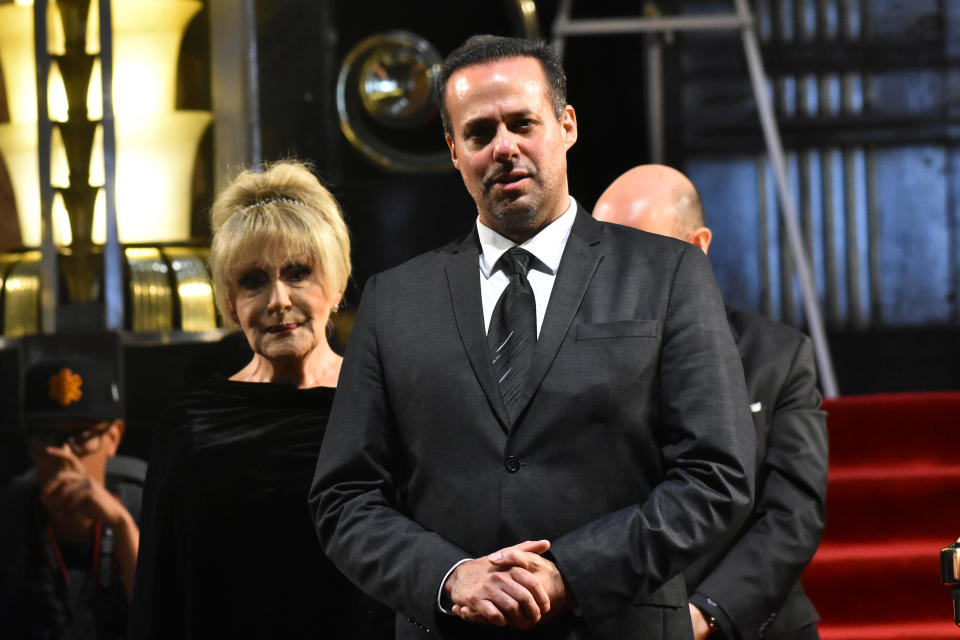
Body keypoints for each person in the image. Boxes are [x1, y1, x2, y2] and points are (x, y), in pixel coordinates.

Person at [310, 35, 757, 639]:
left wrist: (569, 574)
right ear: (452, 149)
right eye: (479, 133)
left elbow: (717, 474)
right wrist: (450, 577)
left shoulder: (669, 274)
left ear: (566, 125)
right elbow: (344, 497)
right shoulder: (393, 301)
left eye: (523, 123)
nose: (505, 148)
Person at [129, 160, 392, 639]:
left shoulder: (387, 405)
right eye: (253, 280)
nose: (277, 299)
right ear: (230, 302)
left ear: (336, 285)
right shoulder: (192, 430)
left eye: (297, 273)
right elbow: (159, 598)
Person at [594, 164, 828, 640]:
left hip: (745, 623)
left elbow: (792, 514)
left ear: (698, 246)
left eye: (641, 253)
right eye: (602, 257)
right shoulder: (577, 361)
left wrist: (705, 615)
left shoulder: (778, 355)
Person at [0, 353, 143, 639]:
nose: (64, 454)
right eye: (47, 438)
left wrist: (122, 526)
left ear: (113, 437)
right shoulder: (10, 515)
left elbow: (171, 621)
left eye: (81, 437)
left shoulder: (145, 505)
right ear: (28, 443)